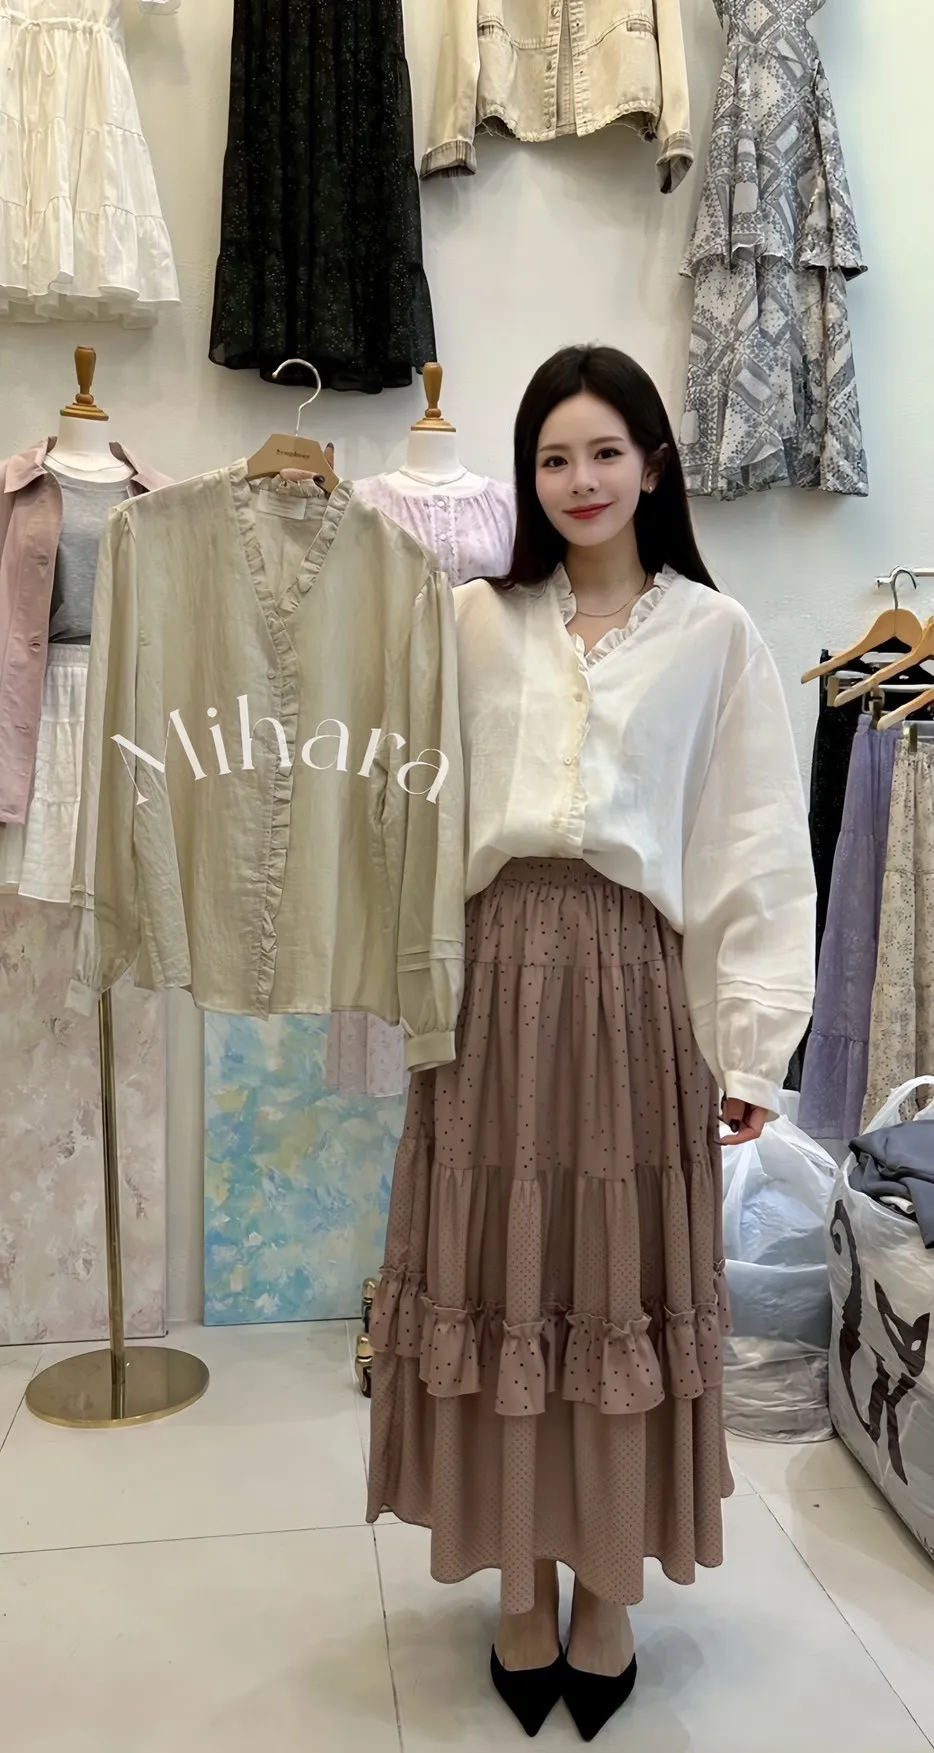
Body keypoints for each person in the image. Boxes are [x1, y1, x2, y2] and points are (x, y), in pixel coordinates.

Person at [366, 345, 815, 1741]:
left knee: (612, 1281)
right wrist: (411, 995)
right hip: (493, 984)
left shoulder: (715, 636)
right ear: (528, 476)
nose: (578, 479)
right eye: (552, 457)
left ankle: (607, 1590)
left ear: (653, 464)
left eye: (604, 451)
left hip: (634, 991)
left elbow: (752, 843)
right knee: (503, 1278)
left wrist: (749, 1045)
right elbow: (419, 815)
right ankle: (518, 1583)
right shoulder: (470, 623)